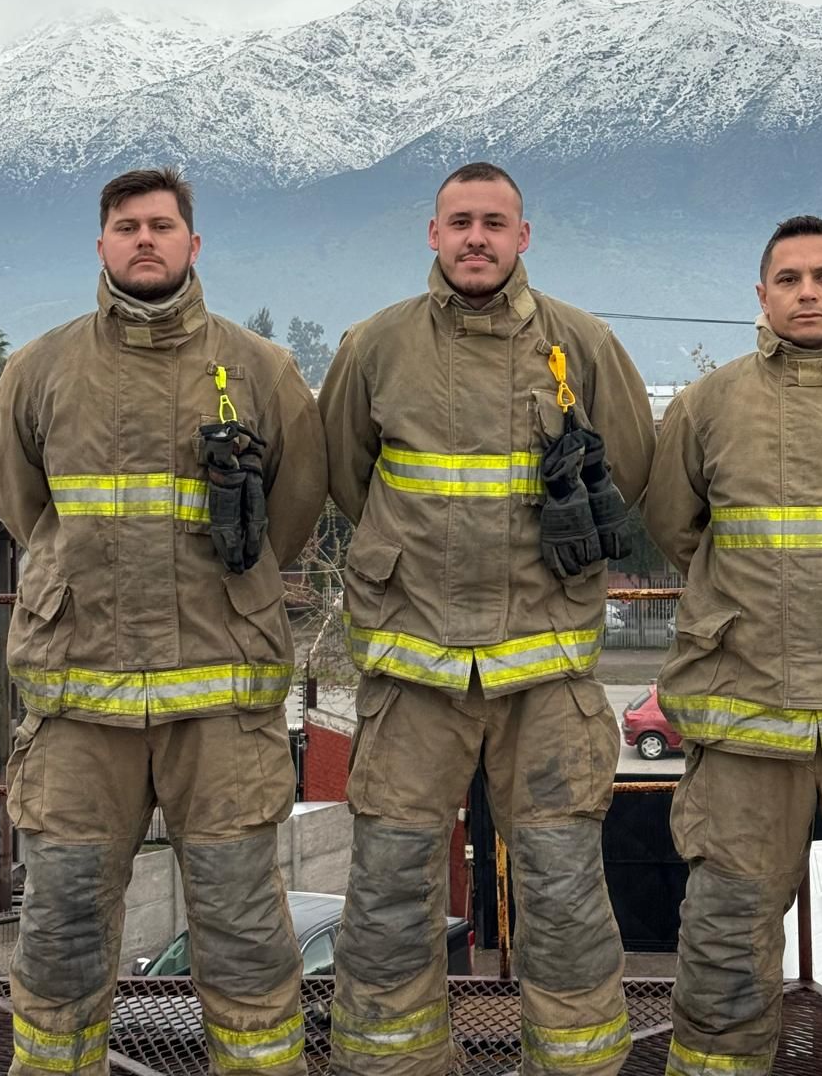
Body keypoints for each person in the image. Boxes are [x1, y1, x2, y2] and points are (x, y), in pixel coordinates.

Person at [0, 167, 327, 1076]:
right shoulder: (40, 370)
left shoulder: (259, 370)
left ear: (192, 244)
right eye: (128, 226)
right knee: (60, 931)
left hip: (220, 710)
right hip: (79, 708)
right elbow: (25, 507)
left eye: (162, 226)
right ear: (101, 243)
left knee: (244, 934)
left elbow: (291, 512)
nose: (145, 239)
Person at [317, 161, 655, 1076]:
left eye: (494, 222)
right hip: (413, 673)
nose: (477, 237)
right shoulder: (375, 346)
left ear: (522, 236)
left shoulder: (581, 345)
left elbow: (629, 466)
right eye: (460, 221)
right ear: (433, 234)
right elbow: (346, 476)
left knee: (565, 893)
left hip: (545, 680)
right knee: (389, 894)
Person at [644, 215, 822, 1076]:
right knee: (725, 941)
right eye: (789, 279)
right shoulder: (709, 405)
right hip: (748, 717)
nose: (808, 293)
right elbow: (676, 528)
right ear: (762, 296)